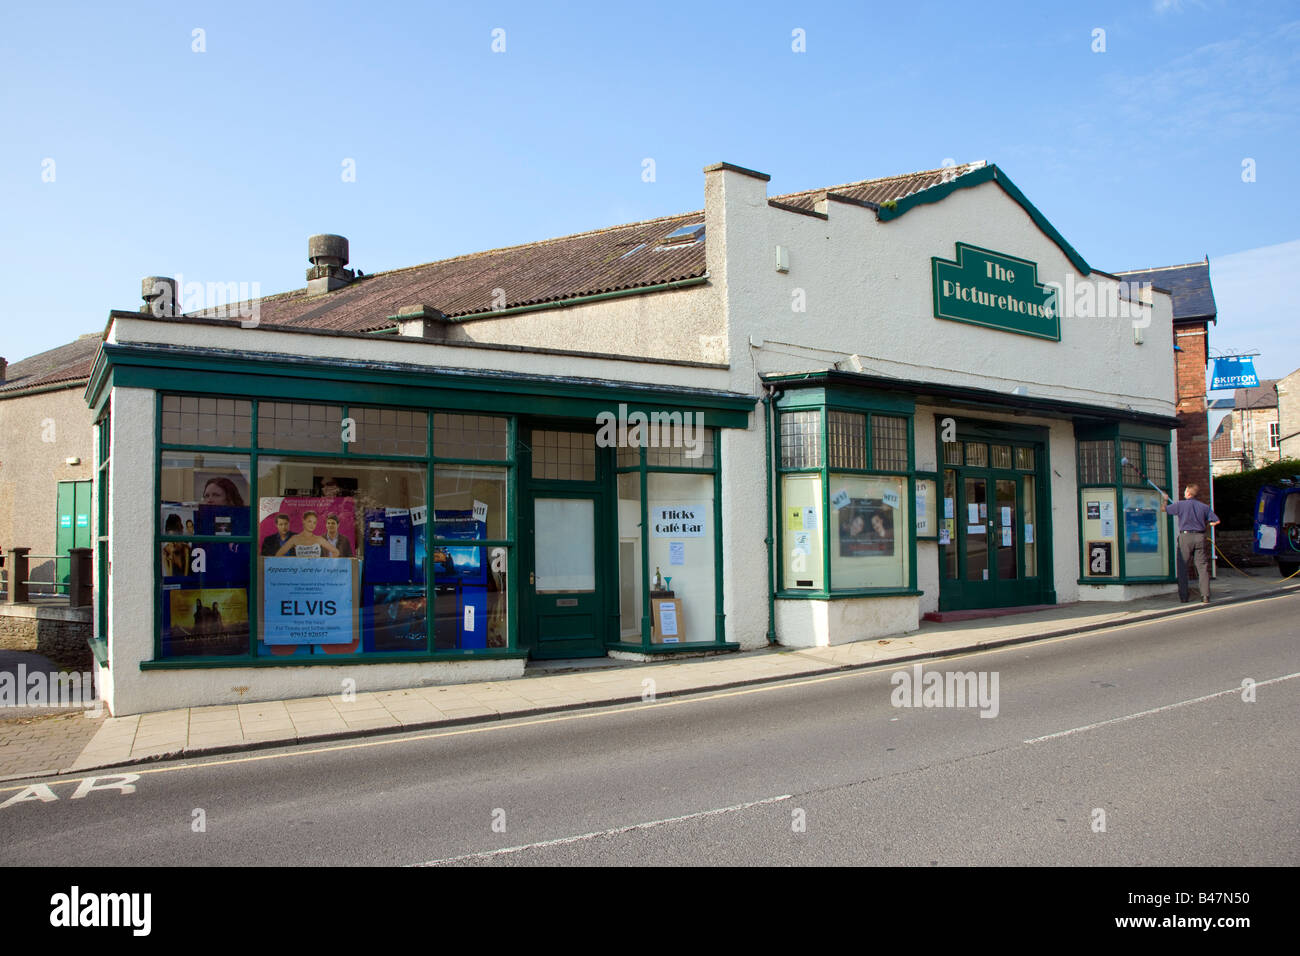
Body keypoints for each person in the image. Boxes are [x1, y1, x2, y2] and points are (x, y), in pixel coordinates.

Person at [1161, 483, 1220, 604]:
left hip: (1185, 537)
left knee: (1183, 567)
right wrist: (1209, 525)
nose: (1184, 493)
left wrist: (1165, 500)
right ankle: (1205, 596)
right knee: (1202, 567)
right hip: (1200, 536)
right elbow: (1216, 521)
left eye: (1185, 491)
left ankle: (1184, 597)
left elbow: (1163, 509)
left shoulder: (1180, 505)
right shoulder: (1204, 507)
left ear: (1188, 493)